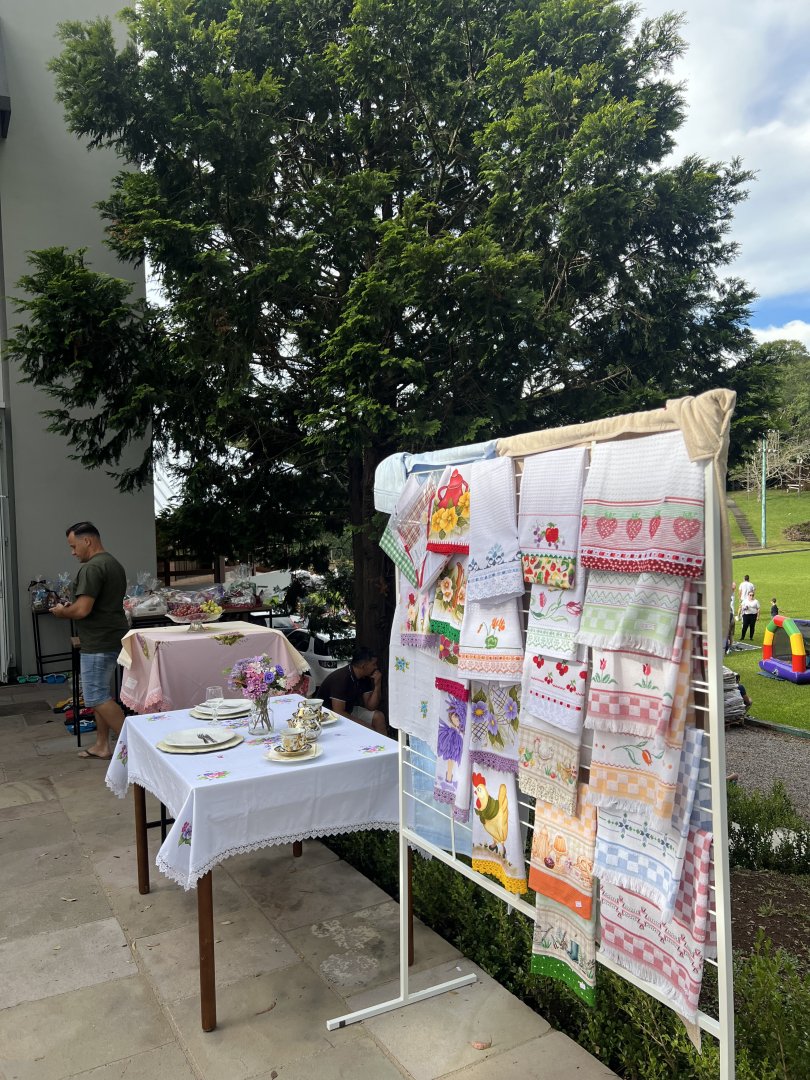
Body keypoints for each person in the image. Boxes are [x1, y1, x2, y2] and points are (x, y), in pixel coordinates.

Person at [51, 522, 128, 760]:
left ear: (87, 541)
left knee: (95, 696)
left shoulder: (92, 568)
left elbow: (82, 610)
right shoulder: (112, 563)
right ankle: (102, 745)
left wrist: (62, 612)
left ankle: (136, 747)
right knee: (101, 694)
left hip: (98, 641)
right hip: (111, 636)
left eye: (73, 546)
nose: (72, 552)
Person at [320, 645, 387, 735]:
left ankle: (386, 744)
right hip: (329, 716)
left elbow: (371, 706)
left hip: (348, 710)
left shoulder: (365, 676)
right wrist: (366, 726)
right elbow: (338, 712)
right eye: (373, 664)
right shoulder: (342, 678)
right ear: (363, 666)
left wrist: (377, 684)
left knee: (378, 717)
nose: (376, 667)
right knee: (368, 729)